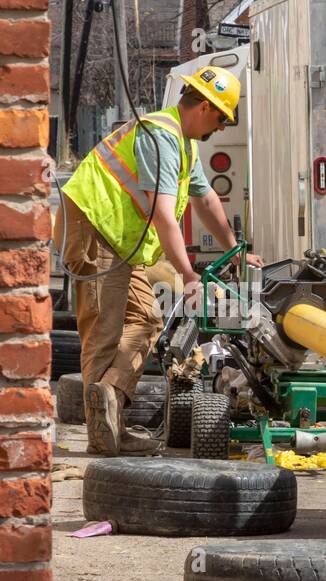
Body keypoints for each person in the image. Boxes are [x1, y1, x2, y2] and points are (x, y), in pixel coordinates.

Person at [55, 65, 262, 456]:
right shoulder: (161, 136)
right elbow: (165, 215)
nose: (220, 128)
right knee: (105, 329)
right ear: (203, 106)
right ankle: (104, 435)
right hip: (95, 228)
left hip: (120, 240)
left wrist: (235, 250)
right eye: (221, 118)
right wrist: (188, 275)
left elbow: (205, 200)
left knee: (146, 320)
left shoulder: (183, 143)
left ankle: (111, 399)